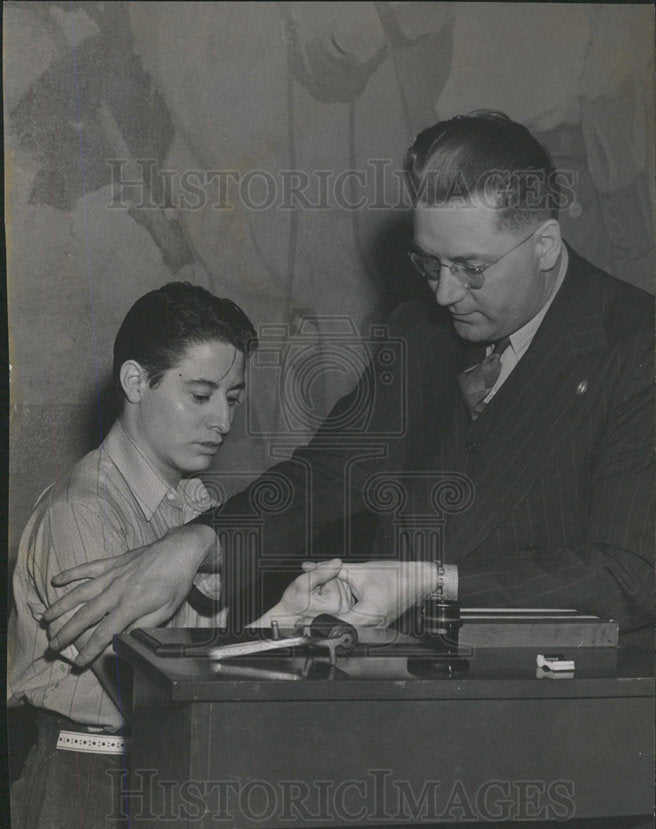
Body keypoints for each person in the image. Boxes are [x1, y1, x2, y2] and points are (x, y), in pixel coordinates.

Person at [42, 110, 654, 655]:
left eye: (470, 269)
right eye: (429, 263)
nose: (443, 293)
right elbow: (333, 469)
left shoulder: (636, 345)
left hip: (572, 708)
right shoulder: (421, 331)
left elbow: (630, 574)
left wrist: (426, 581)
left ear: (544, 244)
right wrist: (201, 540)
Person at [8, 281, 350, 829]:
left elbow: (194, 663)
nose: (221, 419)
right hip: (89, 786)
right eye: (199, 395)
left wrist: (283, 618)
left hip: (164, 772)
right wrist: (275, 636)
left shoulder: (193, 508)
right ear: (136, 381)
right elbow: (157, 681)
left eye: (232, 397)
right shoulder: (84, 513)